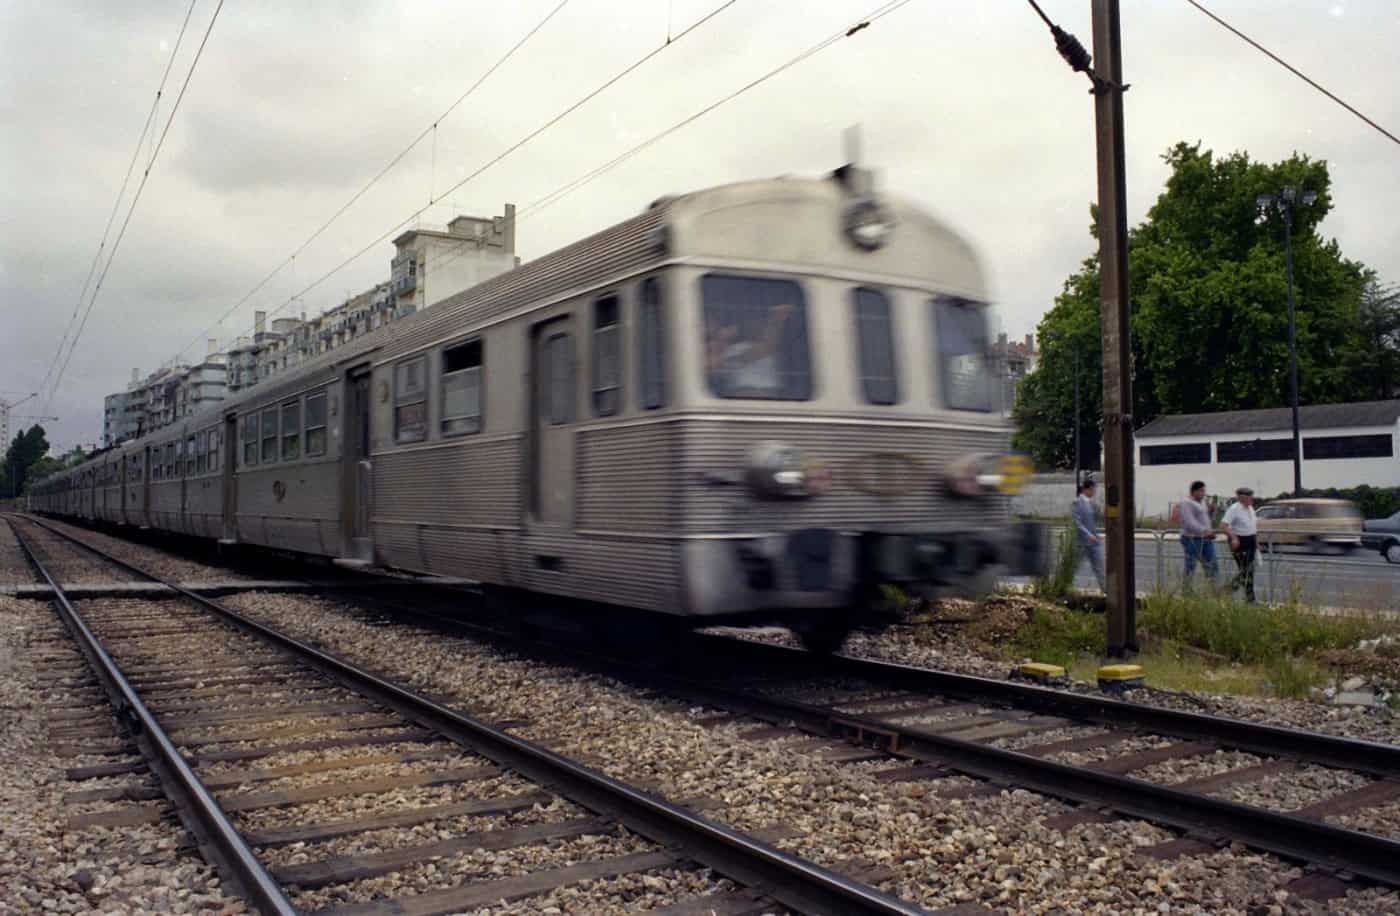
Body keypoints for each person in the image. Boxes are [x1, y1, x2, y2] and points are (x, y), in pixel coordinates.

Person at [706, 302, 794, 395]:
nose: (758, 326)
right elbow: (766, 348)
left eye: (761, 322)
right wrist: (776, 319)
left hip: (771, 395)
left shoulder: (772, 350)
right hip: (747, 393)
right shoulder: (735, 349)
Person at [1221, 486, 1258, 602]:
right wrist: (1233, 538)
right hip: (1240, 541)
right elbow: (1223, 525)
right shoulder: (1234, 509)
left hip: (1250, 540)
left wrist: (1256, 542)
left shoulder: (1251, 508)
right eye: (1249, 496)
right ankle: (1232, 592)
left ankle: (1247, 598)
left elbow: (1252, 526)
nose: (1252, 498)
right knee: (1247, 570)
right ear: (1242, 497)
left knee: (1249, 571)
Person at [1179, 480, 1218, 588]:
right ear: (1193, 491)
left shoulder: (1203, 503)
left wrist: (1212, 512)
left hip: (1206, 539)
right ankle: (1186, 590)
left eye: (1204, 491)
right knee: (1191, 566)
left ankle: (1212, 590)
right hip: (1192, 538)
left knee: (1212, 565)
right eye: (1201, 491)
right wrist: (1204, 531)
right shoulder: (1186, 503)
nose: (1203, 493)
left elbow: (1206, 520)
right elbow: (1189, 523)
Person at [1072, 475, 1106, 592]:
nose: (1095, 492)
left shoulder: (1092, 503)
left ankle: (1106, 590)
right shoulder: (1077, 502)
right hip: (1082, 542)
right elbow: (1077, 522)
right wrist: (1088, 534)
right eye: (1094, 489)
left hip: (1094, 541)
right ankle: (1062, 585)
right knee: (1073, 566)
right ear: (1087, 489)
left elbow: (1097, 519)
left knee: (1099, 566)